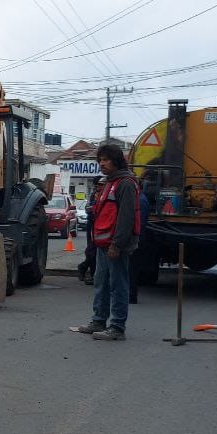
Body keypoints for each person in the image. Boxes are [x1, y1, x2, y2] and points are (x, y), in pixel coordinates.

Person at [71, 144, 139, 341]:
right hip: (103, 244)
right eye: (100, 160)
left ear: (116, 161)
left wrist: (117, 245)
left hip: (116, 246)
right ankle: (99, 321)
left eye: (106, 160)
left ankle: (117, 327)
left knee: (118, 285)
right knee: (101, 283)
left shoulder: (125, 183)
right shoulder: (110, 182)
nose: (102, 163)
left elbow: (126, 218)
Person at [76, 177, 106, 286]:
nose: (99, 187)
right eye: (98, 185)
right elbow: (88, 208)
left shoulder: (107, 195)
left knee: (99, 250)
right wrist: (94, 208)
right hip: (93, 224)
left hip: (103, 224)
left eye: (101, 185)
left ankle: (85, 268)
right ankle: (92, 274)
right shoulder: (94, 195)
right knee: (93, 250)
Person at [128, 181, 150, 305]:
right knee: (131, 269)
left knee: (131, 269)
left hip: (136, 240)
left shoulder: (140, 201)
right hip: (137, 239)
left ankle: (131, 295)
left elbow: (139, 223)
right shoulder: (140, 199)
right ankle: (131, 294)